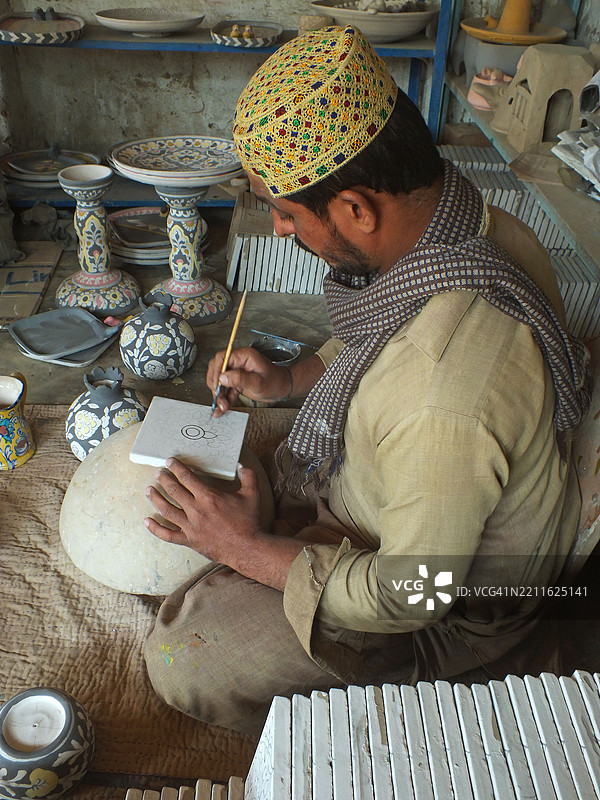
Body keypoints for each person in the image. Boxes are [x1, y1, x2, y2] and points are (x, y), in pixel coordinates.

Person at [142, 25, 591, 738]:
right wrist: (292, 377)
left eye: (286, 214)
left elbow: (418, 591)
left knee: (181, 655)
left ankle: (490, 679)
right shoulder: (463, 226)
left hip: (442, 599)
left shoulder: (443, 401)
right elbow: (378, 331)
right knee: (229, 505)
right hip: (416, 487)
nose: (282, 232)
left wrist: (246, 551)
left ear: (355, 210)